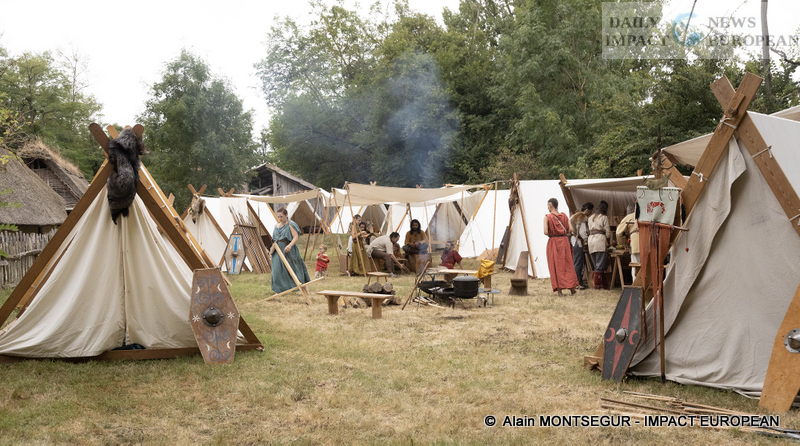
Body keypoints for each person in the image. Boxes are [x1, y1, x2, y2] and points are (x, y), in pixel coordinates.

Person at [270, 207, 311, 293]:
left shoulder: (291, 224)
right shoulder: (276, 226)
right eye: (278, 217)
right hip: (278, 250)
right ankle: (280, 289)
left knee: (294, 269)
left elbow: (295, 236)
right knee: (277, 270)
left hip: (289, 250)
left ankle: (301, 287)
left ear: (286, 215)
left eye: (282, 216)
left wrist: (290, 245)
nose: (280, 218)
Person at [544, 198, 578, 296]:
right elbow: (571, 229)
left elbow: (545, 232)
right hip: (564, 242)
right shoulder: (564, 216)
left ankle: (559, 291)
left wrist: (554, 232)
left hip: (553, 242)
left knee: (556, 265)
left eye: (548, 206)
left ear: (550, 206)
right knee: (567, 264)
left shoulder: (547, 217)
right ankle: (572, 288)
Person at [569, 202, 593, 289]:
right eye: (590, 212)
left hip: (572, 241)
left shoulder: (573, 216)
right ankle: (577, 283)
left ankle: (578, 282)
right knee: (578, 263)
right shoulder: (582, 217)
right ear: (587, 210)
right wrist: (588, 239)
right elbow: (582, 232)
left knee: (577, 262)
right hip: (578, 242)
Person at [588, 200, 612, 289]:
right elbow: (608, 232)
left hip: (591, 240)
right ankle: (597, 285)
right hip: (599, 241)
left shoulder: (591, 217)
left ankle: (604, 285)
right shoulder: (604, 217)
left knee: (597, 266)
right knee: (599, 266)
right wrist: (608, 241)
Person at [616, 202, 639, 280]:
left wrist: (623, 243)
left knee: (636, 266)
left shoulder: (630, 217)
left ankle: (637, 287)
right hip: (649, 244)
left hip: (636, 243)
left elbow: (618, 233)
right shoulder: (647, 216)